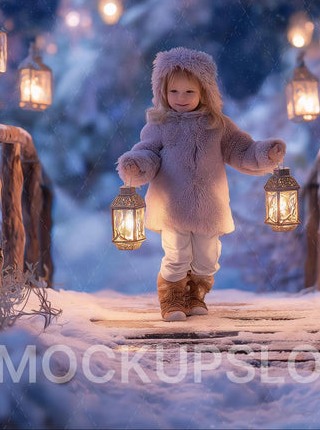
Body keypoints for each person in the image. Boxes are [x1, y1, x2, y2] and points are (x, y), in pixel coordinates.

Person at [117, 47, 286, 321]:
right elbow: (147, 153)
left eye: (189, 92)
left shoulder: (217, 125)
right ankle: (172, 298)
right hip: (173, 205)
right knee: (176, 254)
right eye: (173, 92)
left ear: (204, 92)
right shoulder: (160, 124)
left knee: (207, 258)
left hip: (209, 206)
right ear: (162, 92)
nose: (180, 99)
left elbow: (241, 150)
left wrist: (264, 154)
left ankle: (196, 292)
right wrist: (136, 164)